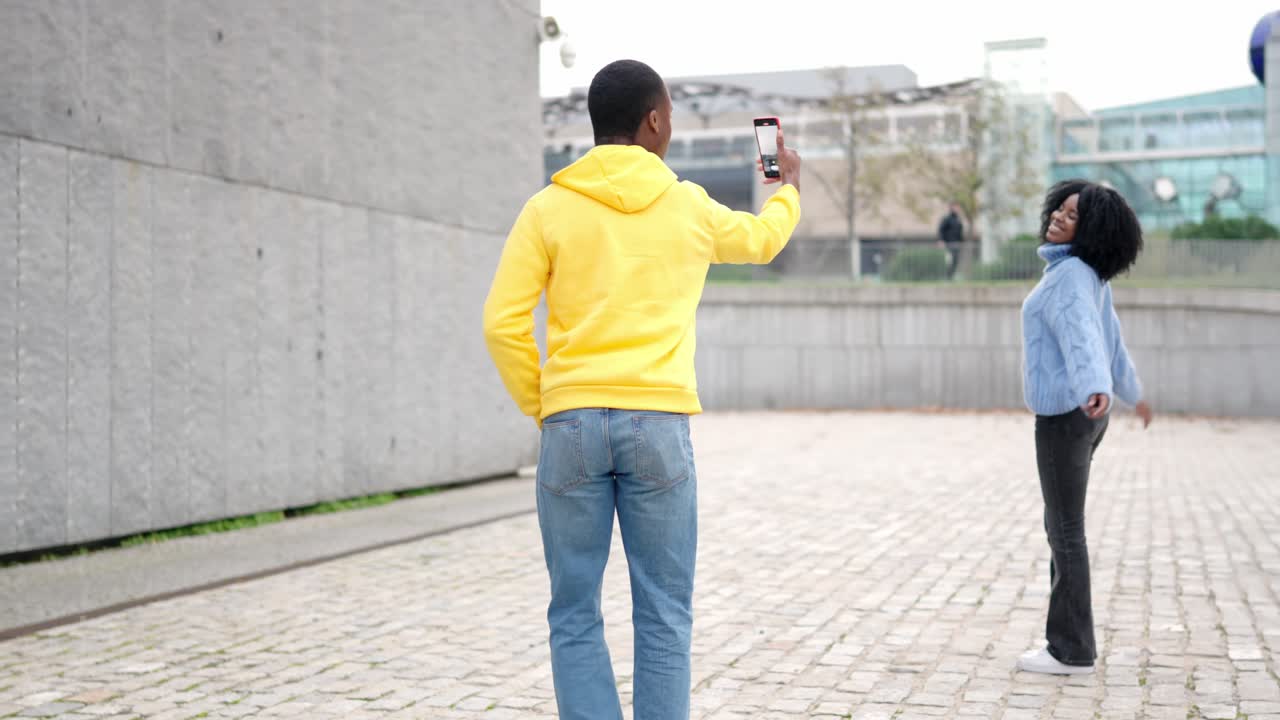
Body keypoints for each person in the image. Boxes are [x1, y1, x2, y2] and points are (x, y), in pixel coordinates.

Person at [481, 59, 802, 720]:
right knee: (662, 612)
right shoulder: (686, 206)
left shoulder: (548, 208)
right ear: (654, 121)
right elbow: (763, 240)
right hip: (658, 426)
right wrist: (786, 188)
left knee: (573, 610)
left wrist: (546, 406)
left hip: (571, 424)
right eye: (672, 118)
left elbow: (502, 323)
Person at [1018, 180, 1154, 675]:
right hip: (1087, 416)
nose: (1057, 215)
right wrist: (1130, 391)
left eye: (1072, 214)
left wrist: (1095, 386)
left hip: (1066, 418)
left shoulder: (1070, 276)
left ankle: (1071, 650)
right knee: (1062, 527)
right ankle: (1067, 642)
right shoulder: (1091, 276)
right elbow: (1110, 343)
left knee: (1066, 531)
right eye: (1060, 207)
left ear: (1091, 229)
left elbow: (1083, 341)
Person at [937, 202, 965, 278]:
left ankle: (952, 275)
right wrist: (941, 240)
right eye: (956, 207)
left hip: (957, 244)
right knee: (950, 260)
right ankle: (948, 276)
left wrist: (961, 242)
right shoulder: (947, 219)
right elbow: (941, 230)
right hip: (949, 244)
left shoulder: (958, 219)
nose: (958, 209)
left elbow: (960, 232)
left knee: (956, 260)